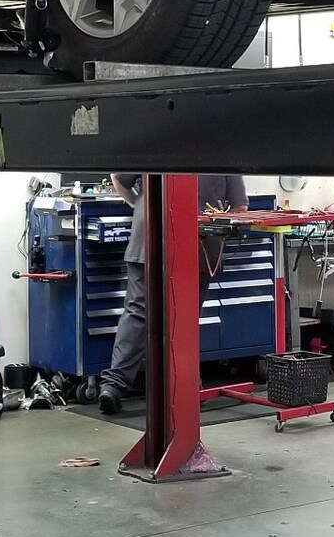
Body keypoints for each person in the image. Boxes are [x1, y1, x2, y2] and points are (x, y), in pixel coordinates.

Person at [99, 173, 248, 415]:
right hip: (195, 246)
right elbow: (240, 208)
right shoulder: (224, 150)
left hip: (148, 238)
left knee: (138, 313)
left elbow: (118, 178)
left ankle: (113, 387)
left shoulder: (156, 140)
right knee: (184, 317)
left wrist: (139, 204)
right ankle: (185, 386)